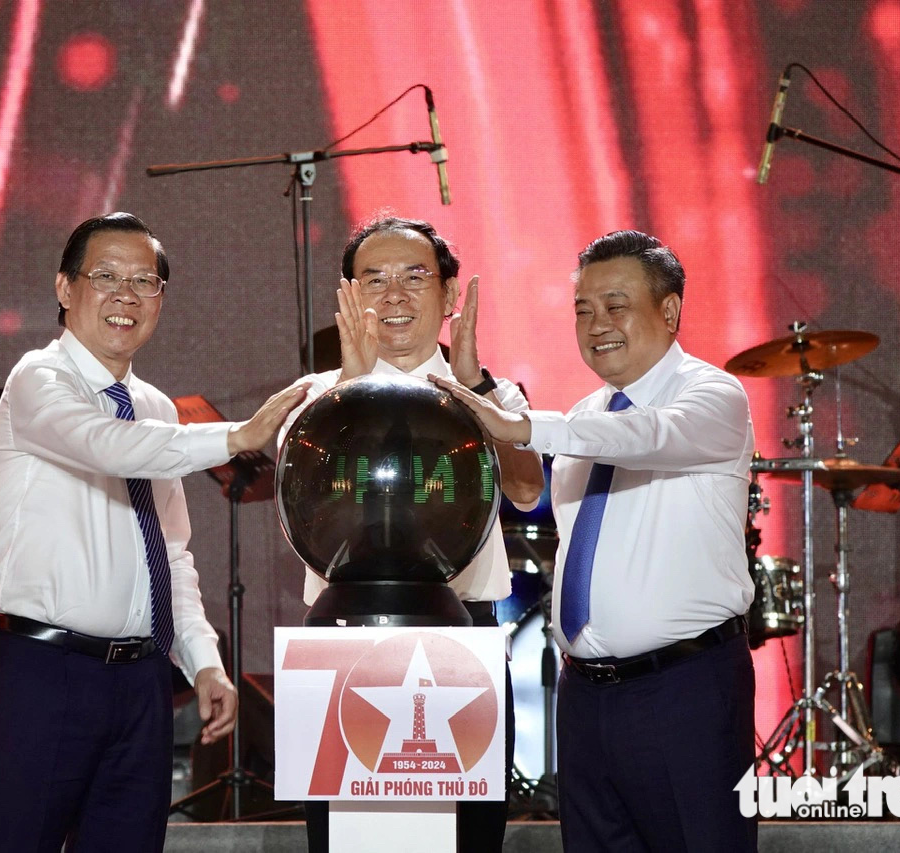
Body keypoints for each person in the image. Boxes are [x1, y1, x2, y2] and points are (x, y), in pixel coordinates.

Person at [0, 212, 308, 852]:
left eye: (145, 282)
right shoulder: (38, 380)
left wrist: (204, 661)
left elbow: (169, 554)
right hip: (40, 672)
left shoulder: (154, 409)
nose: (127, 296)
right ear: (65, 289)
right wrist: (237, 437)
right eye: (107, 277)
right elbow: (109, 447)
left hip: (140, 682)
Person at [436, 230, 757, 852]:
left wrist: (526, 421)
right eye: (583, 309)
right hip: (586, 697)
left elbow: (647, 435)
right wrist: (479, 389)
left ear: (669, 311)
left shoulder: (713, 396)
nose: (596, 323)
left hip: (685, 688)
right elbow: (527, 490)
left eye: (616, 305)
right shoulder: (587, 416)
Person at [280, 215, 546, 853]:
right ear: (349, 296)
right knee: (349, 842)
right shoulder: (314, 398)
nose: (393, 295)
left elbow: (529, 490)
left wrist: (476, 389)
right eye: (374, 280)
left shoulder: (490, 390)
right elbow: (306, 509)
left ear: (450, 296)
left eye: (414, 277)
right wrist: (349, 383)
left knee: (464, 840)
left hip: (463, 638)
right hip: (341, 642)